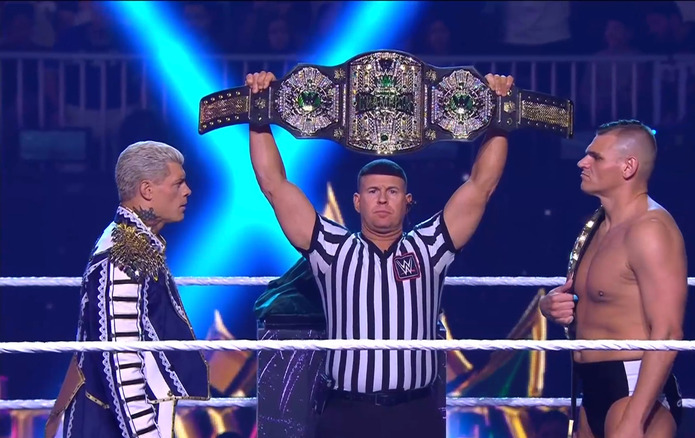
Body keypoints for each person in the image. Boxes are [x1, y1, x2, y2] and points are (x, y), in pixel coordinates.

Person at [245, 70, 513, 438]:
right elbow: (274, 186)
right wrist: (259, 112)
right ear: (357, 201)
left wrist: (498, 115)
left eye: (391, 191)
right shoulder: (332, 248)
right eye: (372, 191)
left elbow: (482, 186)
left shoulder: (431, 247)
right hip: (345, 411)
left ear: (408, 201)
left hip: (415, 412)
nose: (382, 199)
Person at [45, 141, 210, 438]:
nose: (187, 191)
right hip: (108, 423)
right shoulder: (123, 254)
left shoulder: (135, 243)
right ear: (147, 190)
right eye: (178, 183)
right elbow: (121, 363)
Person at [539, 120, 687, 438]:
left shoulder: (650, 230)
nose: (582, 161)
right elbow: (596, 299)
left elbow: (669, 331)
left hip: (634, 388)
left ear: (628, 166)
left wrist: (635, 418)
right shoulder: (598, 226)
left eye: (596, 157)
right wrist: (549, 305)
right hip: (591, 385)